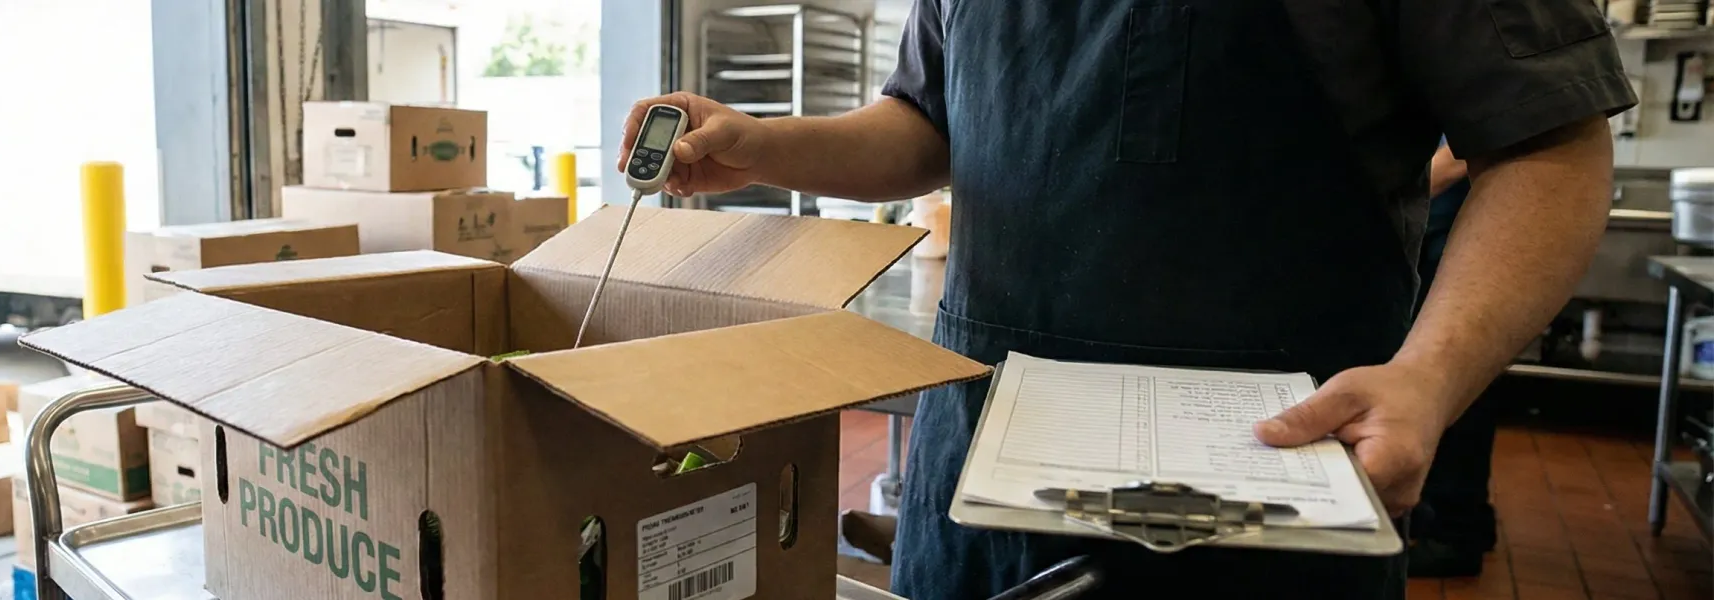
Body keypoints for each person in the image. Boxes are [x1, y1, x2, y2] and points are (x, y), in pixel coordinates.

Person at [616, 1, 1634, 597]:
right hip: (980, 450)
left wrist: (1427, 377)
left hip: (1264, 473)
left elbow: (1546, 139)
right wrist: (762, 145)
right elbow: (924, 124)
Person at [1408, 141, 1499, 577]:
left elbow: (1462, 152)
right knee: (1457, 388)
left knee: (1454, 388)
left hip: (1457, 238)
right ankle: (1462, 518)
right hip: (1445, 233)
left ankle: (1454, 535)